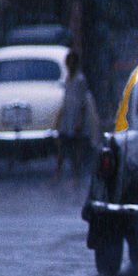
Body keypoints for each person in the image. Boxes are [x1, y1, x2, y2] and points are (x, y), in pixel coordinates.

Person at [55, 50, 97, 181]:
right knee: (62, 146)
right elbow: (65, 99)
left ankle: (75, 175)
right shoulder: (68, 78)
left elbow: (83, 102)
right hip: (68, 117)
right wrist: (59, 117)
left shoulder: (80, 80)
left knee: (76, 147)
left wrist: (79, 120)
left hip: (76, 117)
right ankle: (59, 174)